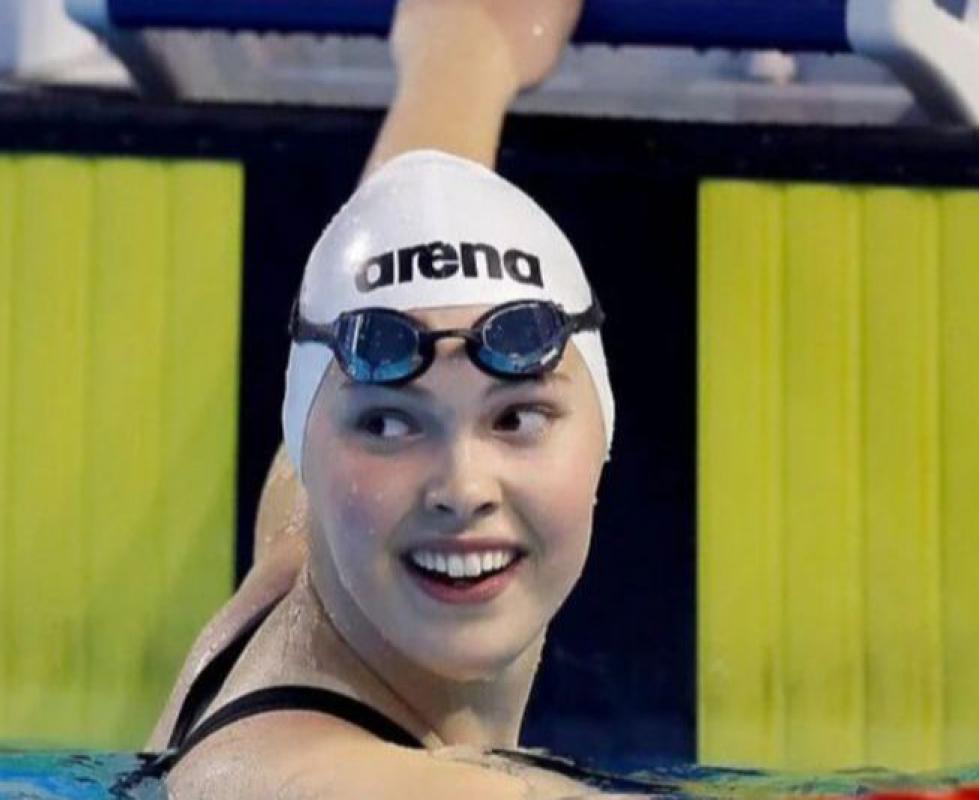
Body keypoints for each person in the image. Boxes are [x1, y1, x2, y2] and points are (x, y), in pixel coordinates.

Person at [141, 1, 632, 797]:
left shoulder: (307, 558)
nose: (462, 488)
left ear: (603, 430)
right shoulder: (295, 780)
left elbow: (407, 207)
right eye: (390, 424)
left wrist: (468, 50)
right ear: (312, 452)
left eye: (515, 416)